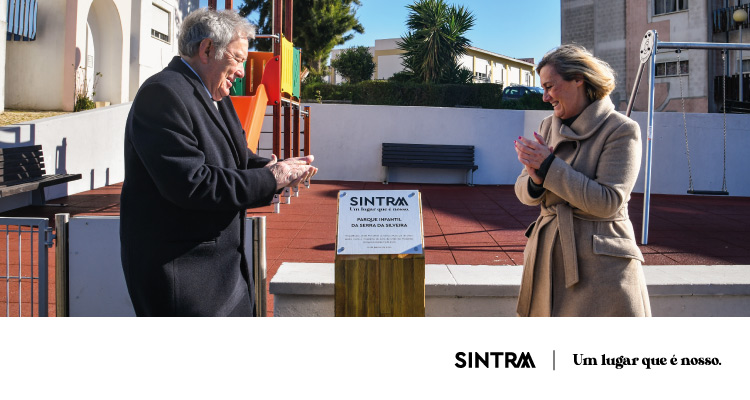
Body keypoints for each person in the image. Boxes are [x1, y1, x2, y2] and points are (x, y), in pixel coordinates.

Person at [120, 8, 317, 317]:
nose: (241, 72)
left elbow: (238, 161)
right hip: (183, 276)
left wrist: (280, 170)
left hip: (222, 273)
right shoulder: (162, 94)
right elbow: (192, 184)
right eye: (238, 59)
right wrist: (272, 178)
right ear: (207, 49)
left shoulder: (215, 96)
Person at [513, 44, 651, 317]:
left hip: (601, 270)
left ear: (578, 79)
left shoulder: (621, 130)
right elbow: (521, 189)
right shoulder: (546, 126)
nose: (544, 97)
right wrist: (535, 181)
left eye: (550, 86)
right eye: (542, 88)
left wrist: (549, 166)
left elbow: (608, 202)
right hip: (547, 258)